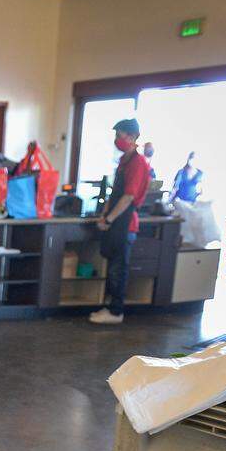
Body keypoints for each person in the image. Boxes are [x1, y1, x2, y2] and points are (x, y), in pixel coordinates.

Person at [90, 118, 150, 325]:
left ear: (132, 137)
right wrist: (104, 214)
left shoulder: (138, 163)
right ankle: (110, 306)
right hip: (115, 222)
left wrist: (109, 218)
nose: (117, 140)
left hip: (126, 224)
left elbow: (128, 197)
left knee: (119, 269)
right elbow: (114, 194)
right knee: (112, 267)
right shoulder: (124, 162)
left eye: (120, 135)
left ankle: (116, 312)